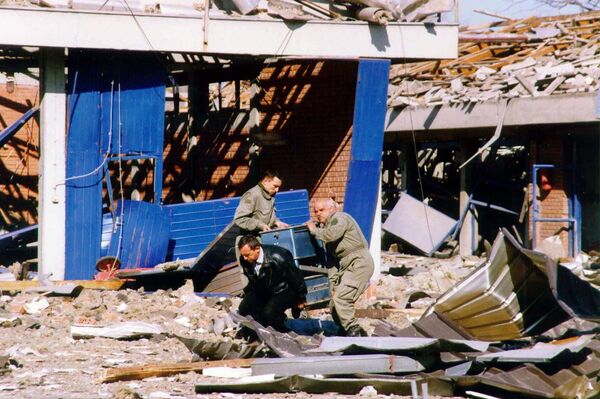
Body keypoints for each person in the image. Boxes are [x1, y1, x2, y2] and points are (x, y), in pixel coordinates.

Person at [306, 198, 374, 337]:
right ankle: (344, 331)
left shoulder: (339, 218)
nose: (318, 214)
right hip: (346, 265)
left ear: (331, 208)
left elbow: (332, 235)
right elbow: (332, 263)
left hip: (358, 262)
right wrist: (332, 284)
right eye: (315, 211)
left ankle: (354, 331)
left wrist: (314, 231)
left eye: (321, 210)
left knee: (342, 299)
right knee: (334, 305)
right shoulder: (326, 229)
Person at [236, 235, 307, 332]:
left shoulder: (278, 256)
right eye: (243, 255)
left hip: (284, 289)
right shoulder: (245, 260)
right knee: (244, 308)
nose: (244, 258)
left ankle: (283, 332)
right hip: (264, 289)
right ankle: (261, 329)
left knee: (269, 313)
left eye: (247, 255)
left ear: (257, 249)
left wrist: (301, 299)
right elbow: (253, 279)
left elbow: (296, 278)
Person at [234, 171, 289, 235]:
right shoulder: (252, 195)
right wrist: (260, 225)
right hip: (250, 241)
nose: (277, 190)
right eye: (275, 186)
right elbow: (240, 219)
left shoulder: (269, 195)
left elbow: (266, 217)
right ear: (265, 182)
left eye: (279, 187)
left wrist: (277, 222)